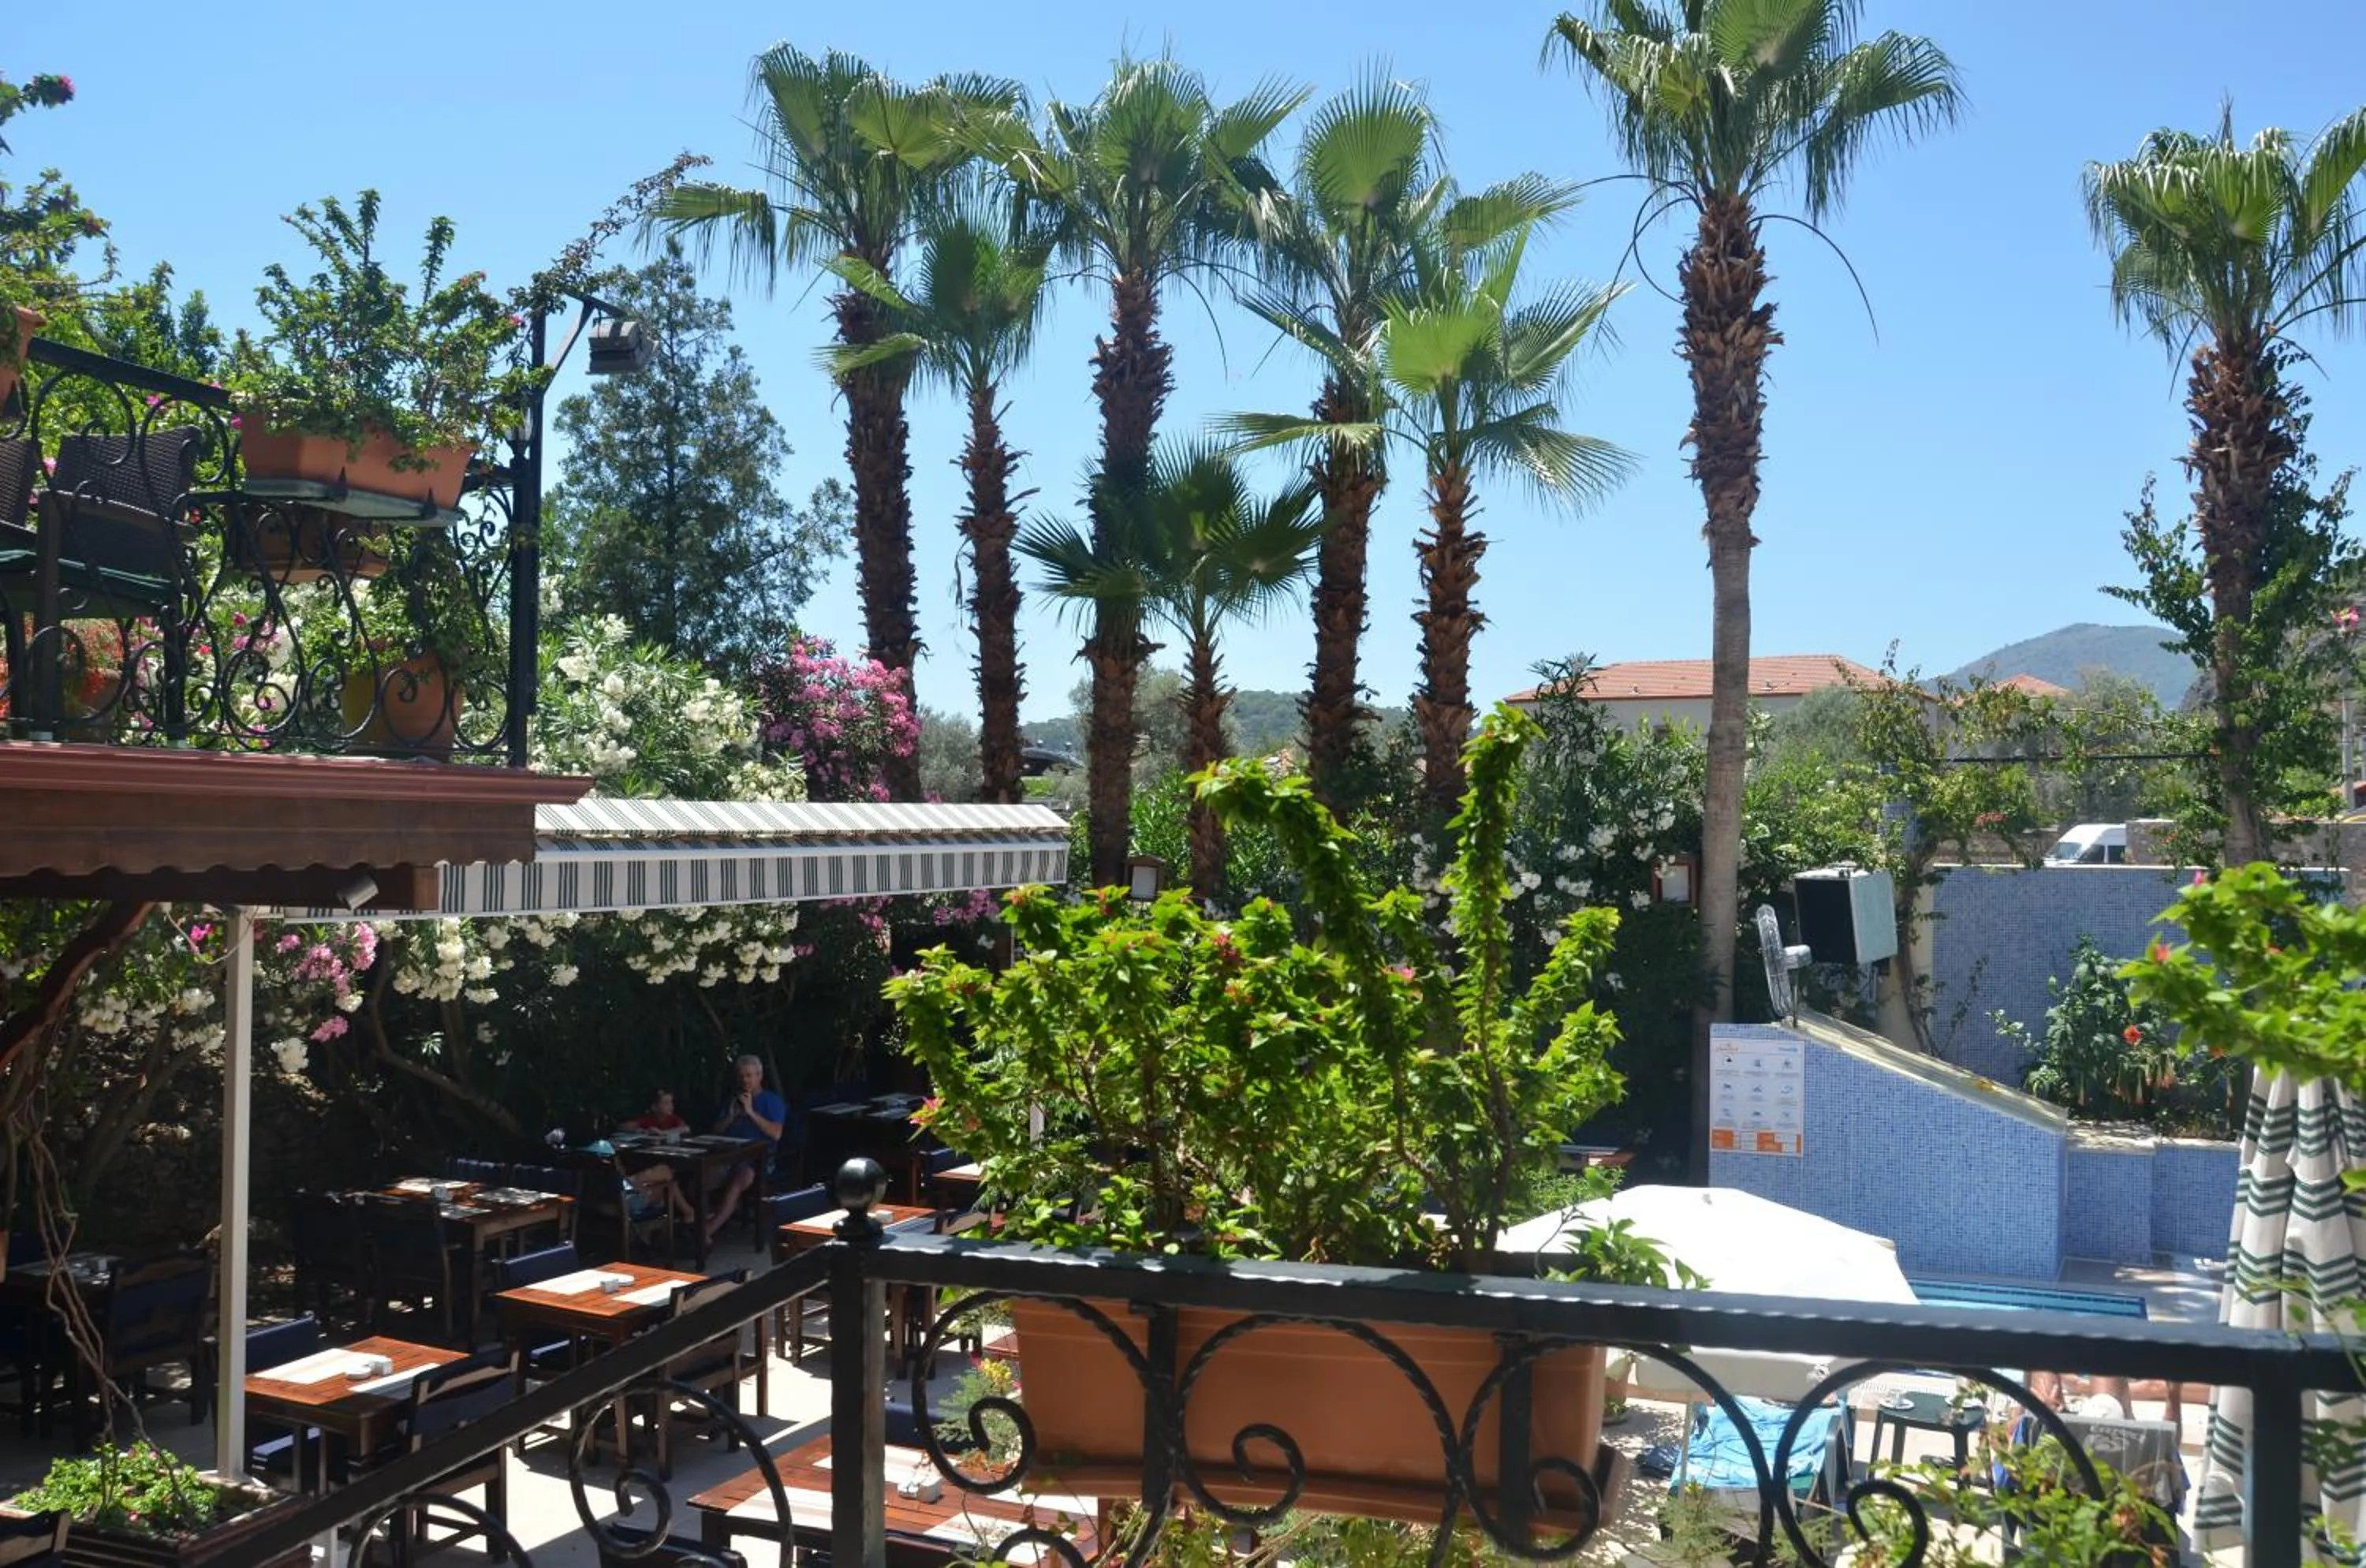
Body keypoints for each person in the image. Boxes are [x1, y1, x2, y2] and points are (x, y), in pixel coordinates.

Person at [706, 1055, 786, 1245]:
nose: (745, 1080)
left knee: (739, 1180)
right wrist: (731, 1117)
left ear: (759, 1076)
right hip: (728, 1156)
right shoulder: (734, 1100)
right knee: (701, 1180)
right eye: (742, 1076)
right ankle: (695, 1221)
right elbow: (716, 1130)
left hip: (758, 1160)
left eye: (750, 1076)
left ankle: (707, 1231)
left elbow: (776, 1134)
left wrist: (751, 1112)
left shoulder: (772, 1101)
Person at [620, 1088, 689, 1135]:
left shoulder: (674, 1119)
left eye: (671, 1102)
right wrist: (642, 1131)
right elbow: (625, 1126)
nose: (671, 1106)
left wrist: (662, 1133)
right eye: (666, 1103)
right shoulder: (648, 1119)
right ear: (654, 1107)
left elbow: (686, 1129)